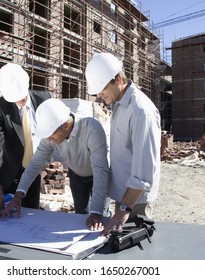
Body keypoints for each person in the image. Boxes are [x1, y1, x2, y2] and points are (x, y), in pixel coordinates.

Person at [2, 98, 110, 230]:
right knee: (80, 216)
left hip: (99, 175)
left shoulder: (91, 129)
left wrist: (96, 213)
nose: (49, 138)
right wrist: (18, 195)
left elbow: (100, 172)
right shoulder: (50, 139)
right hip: (77, 175)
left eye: (51, 135)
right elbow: (34, 165)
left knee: (100, 219)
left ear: (65, 125)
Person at [85, 52, 161, 236]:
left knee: (135, 253)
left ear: (118, 79)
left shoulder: (141, 112)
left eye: (101, 89)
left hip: (136, 202)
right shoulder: (119, 105)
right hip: (123, 197)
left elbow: (143, 173)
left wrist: (123, 210)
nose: (99, 95)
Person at [0, 63, 50, 219]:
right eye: (15, 99)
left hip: (33, 169)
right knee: (7, 216)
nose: (19, 101)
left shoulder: (44, 99)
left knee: (30, 213)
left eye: (21, 97)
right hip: (10, 170)